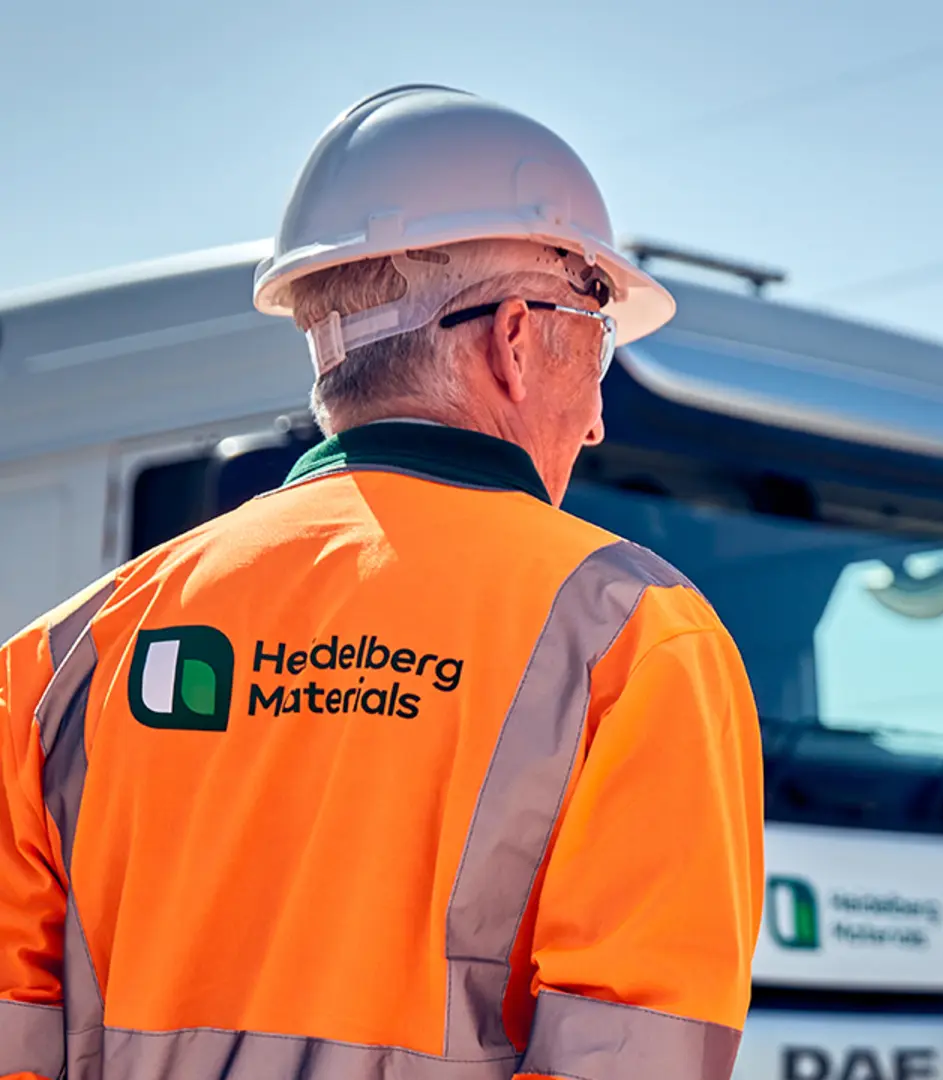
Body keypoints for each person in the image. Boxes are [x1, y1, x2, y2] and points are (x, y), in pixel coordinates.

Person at [0, 85, 763, 1080]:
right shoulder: (636, 641)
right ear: (518, 338)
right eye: (598, 342)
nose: (598, 420)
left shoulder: (62, 658)